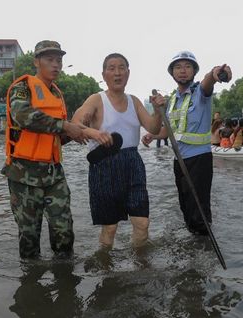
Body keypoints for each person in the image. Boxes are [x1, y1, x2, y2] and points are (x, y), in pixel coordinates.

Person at [2, 40, 86, 259]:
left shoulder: (57, 94)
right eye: (50, 60)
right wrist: (65, 126)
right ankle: (32, 283)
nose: (56, 65)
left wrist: (75, 133)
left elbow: (53, 136)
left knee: (64, 230)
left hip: (53, 173)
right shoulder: (22, 88)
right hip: (24, 175)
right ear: (36, 62)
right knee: (29, 236)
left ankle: (65, 280)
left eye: (59, 60)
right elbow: (24, 117)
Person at [72, 53, 163, 249]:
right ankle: (106, 269)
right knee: (110, 228)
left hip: (133, 164)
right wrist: (94, 133)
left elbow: (153, 128)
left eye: (122, 68)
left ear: (128, 73)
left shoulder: (134, 101)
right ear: (104, 74)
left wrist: (157, 112)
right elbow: (74, 125)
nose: (117, 73)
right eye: (111, 68)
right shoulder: (96, 100)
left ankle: (140, 266)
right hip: (104, 164)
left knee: (142, 223)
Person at [142, 51, 232, 235]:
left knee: (199, 210)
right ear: (172, 73)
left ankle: (204, 249)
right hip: (180, 161)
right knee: (185, 207)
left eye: (187, 66)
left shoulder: (200, 92)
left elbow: (209, 81)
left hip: (200, 160)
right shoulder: (173, 99)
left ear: (194, 71)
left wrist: (216, 73)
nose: (183, 71)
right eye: (178, 67)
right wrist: (154, 136)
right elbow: (171, 130)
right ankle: (193, 248)